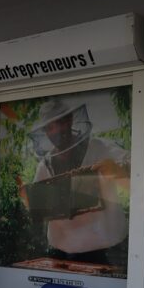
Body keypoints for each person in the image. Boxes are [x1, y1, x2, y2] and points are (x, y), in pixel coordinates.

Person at [24, 99, 130, 265]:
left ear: (71, 120)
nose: (58, 130)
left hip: (107, 251)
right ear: (46, 131)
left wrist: (119, 170)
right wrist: (32, 200)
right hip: (63, 253)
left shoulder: (100, 148)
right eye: (51, 126)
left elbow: (136, 169)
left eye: (61, 122)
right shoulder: (44, 166)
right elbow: (38, 206)